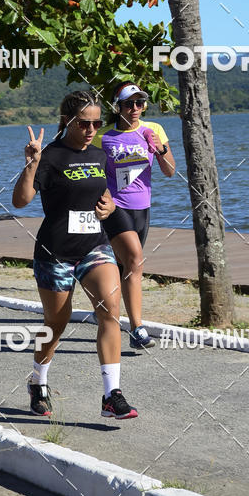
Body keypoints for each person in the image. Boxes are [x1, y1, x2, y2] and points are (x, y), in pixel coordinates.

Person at [12, 90, 138, 420]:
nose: (91, 129)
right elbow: (20, 201)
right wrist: (31, 163)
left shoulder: (98, 155)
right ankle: (38, 382)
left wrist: (110, 205)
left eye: (97, 122)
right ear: (67, 121)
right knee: (56, 323)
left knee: (110, 311)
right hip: (55, 252)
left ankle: (112, 395)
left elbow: (103, 192)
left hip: (94, 247)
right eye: (84, 123)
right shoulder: (50, 156)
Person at [92, 81, 175, 349]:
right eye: (129, 103)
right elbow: (91, 170)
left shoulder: (154, 130)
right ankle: (137, 330)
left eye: (140, 102)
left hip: (142, 207)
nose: (135, 108)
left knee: (124, 266)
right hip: (114, 207)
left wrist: (160, 150)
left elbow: (170, 171)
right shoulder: (103, 136)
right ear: (118, 107)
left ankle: (104, 308)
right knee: (135, 262)